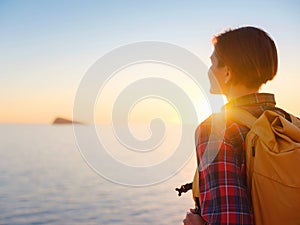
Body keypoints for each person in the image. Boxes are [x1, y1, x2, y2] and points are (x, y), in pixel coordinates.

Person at [183, 26, 292, 225]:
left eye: (213, 63)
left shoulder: (216, 130)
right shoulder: (290, 124)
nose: (209, 71)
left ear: (227, 73)